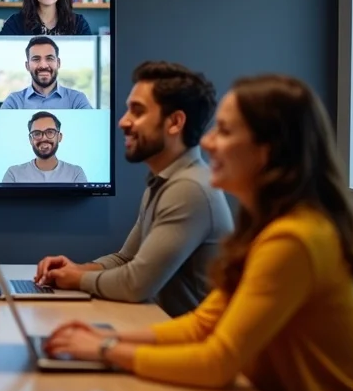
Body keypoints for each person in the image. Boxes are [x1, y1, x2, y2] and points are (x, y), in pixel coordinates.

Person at [43, 74, 353, 391]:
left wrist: (106, 351)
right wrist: (103, 338)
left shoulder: (294, 239)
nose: (207, 142)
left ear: (267, 150)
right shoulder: (267, 229)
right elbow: (202, 324)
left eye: (225, 132)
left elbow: (219, 361)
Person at [35, 61, 233, 317]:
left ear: (175, 122)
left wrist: (74, 280)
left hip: (194, 346)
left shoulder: (189, 188)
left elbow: (135, 284)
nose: (123, 122)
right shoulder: (164, 181)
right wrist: (78, 269)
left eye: (137, 112)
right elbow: (125, 259)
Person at [0, 36, 92, 109]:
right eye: (36, 59)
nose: (43, 65)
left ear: (58, 63)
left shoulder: (77, 100)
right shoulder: (13, 102)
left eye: (49, 58)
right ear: (27, 66)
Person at [2, 111, 87, 183]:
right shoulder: (13, 174)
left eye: (50, 132)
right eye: (37, 133)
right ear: (30, 140)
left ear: (59, 137)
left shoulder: (76, 173)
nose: (43, 138)